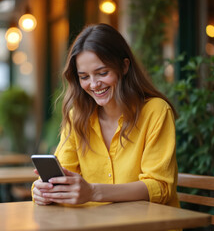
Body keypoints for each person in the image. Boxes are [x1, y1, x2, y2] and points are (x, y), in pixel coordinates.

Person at [32, 23, 179, 208]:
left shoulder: (155, 111)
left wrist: (92, 192)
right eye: (84, 77)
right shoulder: (77, 116)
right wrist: (43, 191)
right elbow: (64, 174)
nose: (94, 84)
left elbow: (161, 186)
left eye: (102, 73)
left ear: (124, 66)